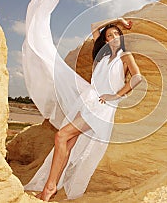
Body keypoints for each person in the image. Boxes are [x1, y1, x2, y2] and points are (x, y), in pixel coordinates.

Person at [35, 18, 141, 201]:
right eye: (109, 35)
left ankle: (49, 188)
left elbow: (137, 77)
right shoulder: (102, 55)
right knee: (67, 142)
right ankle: (51, 187)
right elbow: (94, 26)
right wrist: (119, 20)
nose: (114, 37)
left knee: (61, 135)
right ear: (106, 40)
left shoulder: (125, 55)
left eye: (117, 34)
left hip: (102, 107)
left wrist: (116, 95)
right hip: (87, 101)